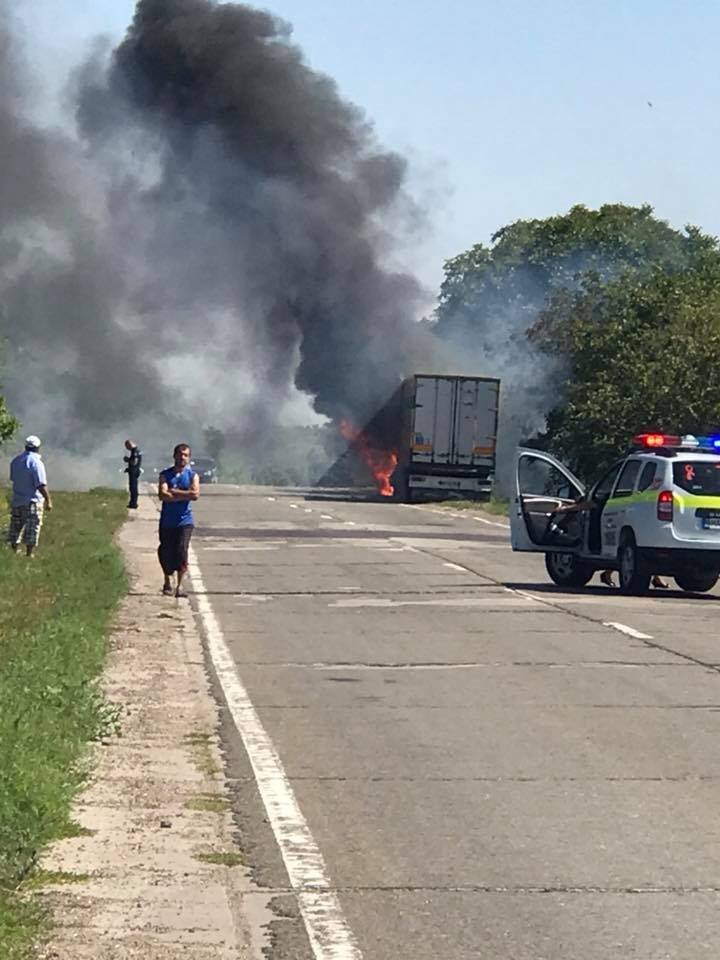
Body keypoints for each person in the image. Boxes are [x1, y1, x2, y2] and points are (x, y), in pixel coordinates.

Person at [158, 443, 200, 598]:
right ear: (174, 456)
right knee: (166, 551)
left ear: (189, 458)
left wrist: (174, 492)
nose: (182, 458)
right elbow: (162, 495)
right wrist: (185, 494)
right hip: (168, 521)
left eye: (185, 455)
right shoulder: (165, 474)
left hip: (185, 521)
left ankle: (180, 586)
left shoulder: (192, 475)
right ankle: (167, 580)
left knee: (182, 551)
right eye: (180, 454)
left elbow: (195, 494)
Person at [7, 435, 53, 557]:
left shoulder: (16, 461)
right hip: (32, 501)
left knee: (16, 526)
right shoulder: (37, 463)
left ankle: (14, 551)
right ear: (38, 448)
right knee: (32, 527)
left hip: (17, 499)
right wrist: (48, 500)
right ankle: (29, 554)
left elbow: (13, 479)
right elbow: (40, 484)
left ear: (26, 446)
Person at [123, 439, 143, 509]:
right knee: (133, 487)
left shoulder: (134, 451)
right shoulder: (137, 450)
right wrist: (128, 469)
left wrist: (127, 459)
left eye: (127, 447)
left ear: (129, 444)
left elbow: (134, 462)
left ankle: (133, 503)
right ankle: (133, 502)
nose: (127, 449)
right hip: (135, 471)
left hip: (134, 472)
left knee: (133, 488)